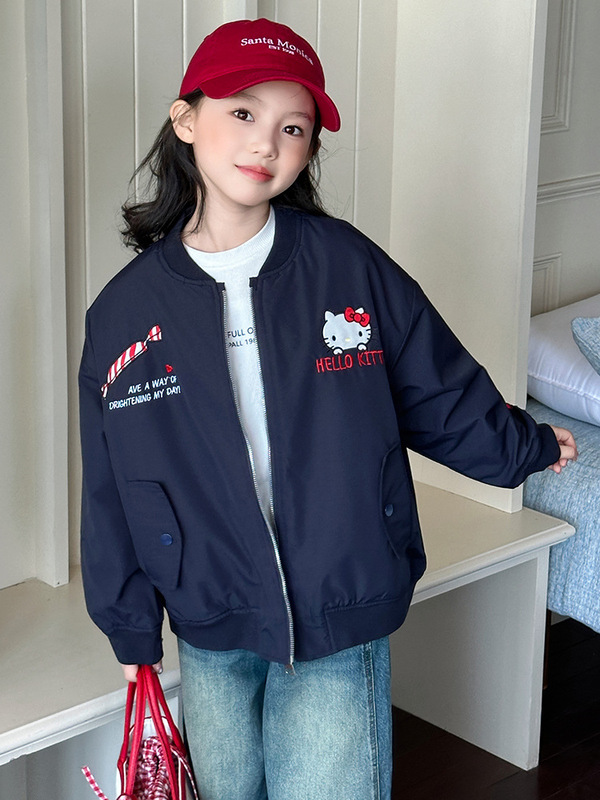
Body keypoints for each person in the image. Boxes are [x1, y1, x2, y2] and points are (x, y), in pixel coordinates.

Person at [78, 17, 577, 800]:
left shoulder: (346, 265)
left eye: (293, 127)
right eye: (243, 112)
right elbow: (111, 482)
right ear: (186, 119)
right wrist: (129, 622)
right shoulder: (123, 312)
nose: (265, 143)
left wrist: (525, 445)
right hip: (209, 610)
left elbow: (433, 384)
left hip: (340, 599)